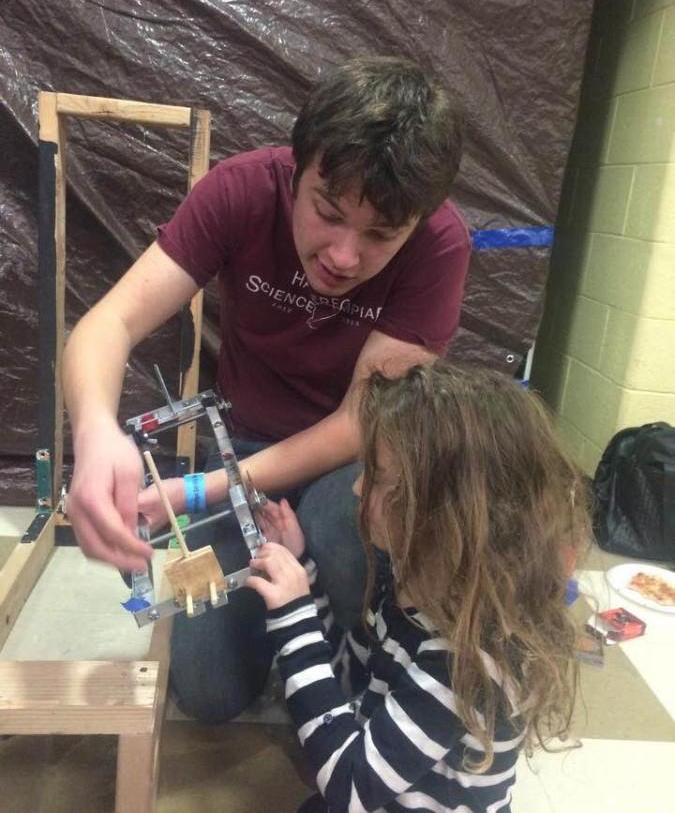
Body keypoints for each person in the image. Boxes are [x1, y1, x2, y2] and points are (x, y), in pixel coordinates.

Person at [62, 56, 471, 720]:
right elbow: (108, 323)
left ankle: (359, 670)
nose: (343, 256)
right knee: (209, 695)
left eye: (379, 236)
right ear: (298, 168)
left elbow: (358, 423)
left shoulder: (441, 244)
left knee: (341, 528)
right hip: (248, 444)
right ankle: (290, 627)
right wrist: (94, 432)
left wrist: (197, 490)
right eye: (327, 212)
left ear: (416, 222)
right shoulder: (242, 190)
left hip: (356, 463)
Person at [247, 360, 590, 813]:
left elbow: (348, 789)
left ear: (441, 511)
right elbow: (350, 677)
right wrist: (304, 572)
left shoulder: (467, 664)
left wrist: (294, 624)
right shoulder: (414, 590)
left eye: (376, 474)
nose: (356, 489)